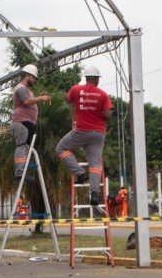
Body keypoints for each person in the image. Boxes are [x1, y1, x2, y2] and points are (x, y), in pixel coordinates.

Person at [56, 65, 113, 206]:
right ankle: (94, 193)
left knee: (61, 149)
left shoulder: (76, 89)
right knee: (95, 163)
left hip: (81, 131)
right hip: (98, 134)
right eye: (98, 79)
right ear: (95, 79)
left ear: (86, 78)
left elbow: (67, 99)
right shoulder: (103, 94)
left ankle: (80, 173)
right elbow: (107, 115)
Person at [11, 64, 51, 182]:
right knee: (22, 146)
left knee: (26, 147)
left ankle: (22, 171)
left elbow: (31, 101)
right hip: (21, 122)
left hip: (28, 123)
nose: (34, 80)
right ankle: (19, 172)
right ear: (27, 75)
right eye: (33, 78)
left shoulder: (28, 90)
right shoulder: (21, 88)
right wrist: (41, 98)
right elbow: (26, 101)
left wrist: (39, 97)